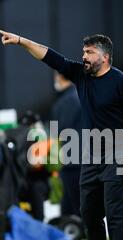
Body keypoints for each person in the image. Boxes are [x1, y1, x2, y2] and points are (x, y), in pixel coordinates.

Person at [0, 28, 123, 240]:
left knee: (116, 212)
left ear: (105, 56)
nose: (84, 57)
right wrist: (22, 41)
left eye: (89, 52)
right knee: (88, 212)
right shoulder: (81, 75)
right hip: (92, 153)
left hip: (120, 152)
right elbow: (50, 57)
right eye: (83, 52)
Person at [51, 72, 82, 217]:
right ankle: (71, 231)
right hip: (84, 155)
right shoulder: (80, 95)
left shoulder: (66, 101)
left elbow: (60, 129)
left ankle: (80, 231)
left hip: (73, 158)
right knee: (72, 201)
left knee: (75, 202)